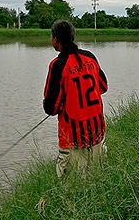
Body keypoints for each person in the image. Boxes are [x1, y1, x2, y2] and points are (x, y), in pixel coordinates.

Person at [43, 20, 108, 178]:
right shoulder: (90, 57)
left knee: (72, 190)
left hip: (72, 138)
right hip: (97, 132)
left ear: (55, 39)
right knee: (98, 180)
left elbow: (50, 109)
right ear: (73, 36)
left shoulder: (58, 65)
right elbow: (103, 86)